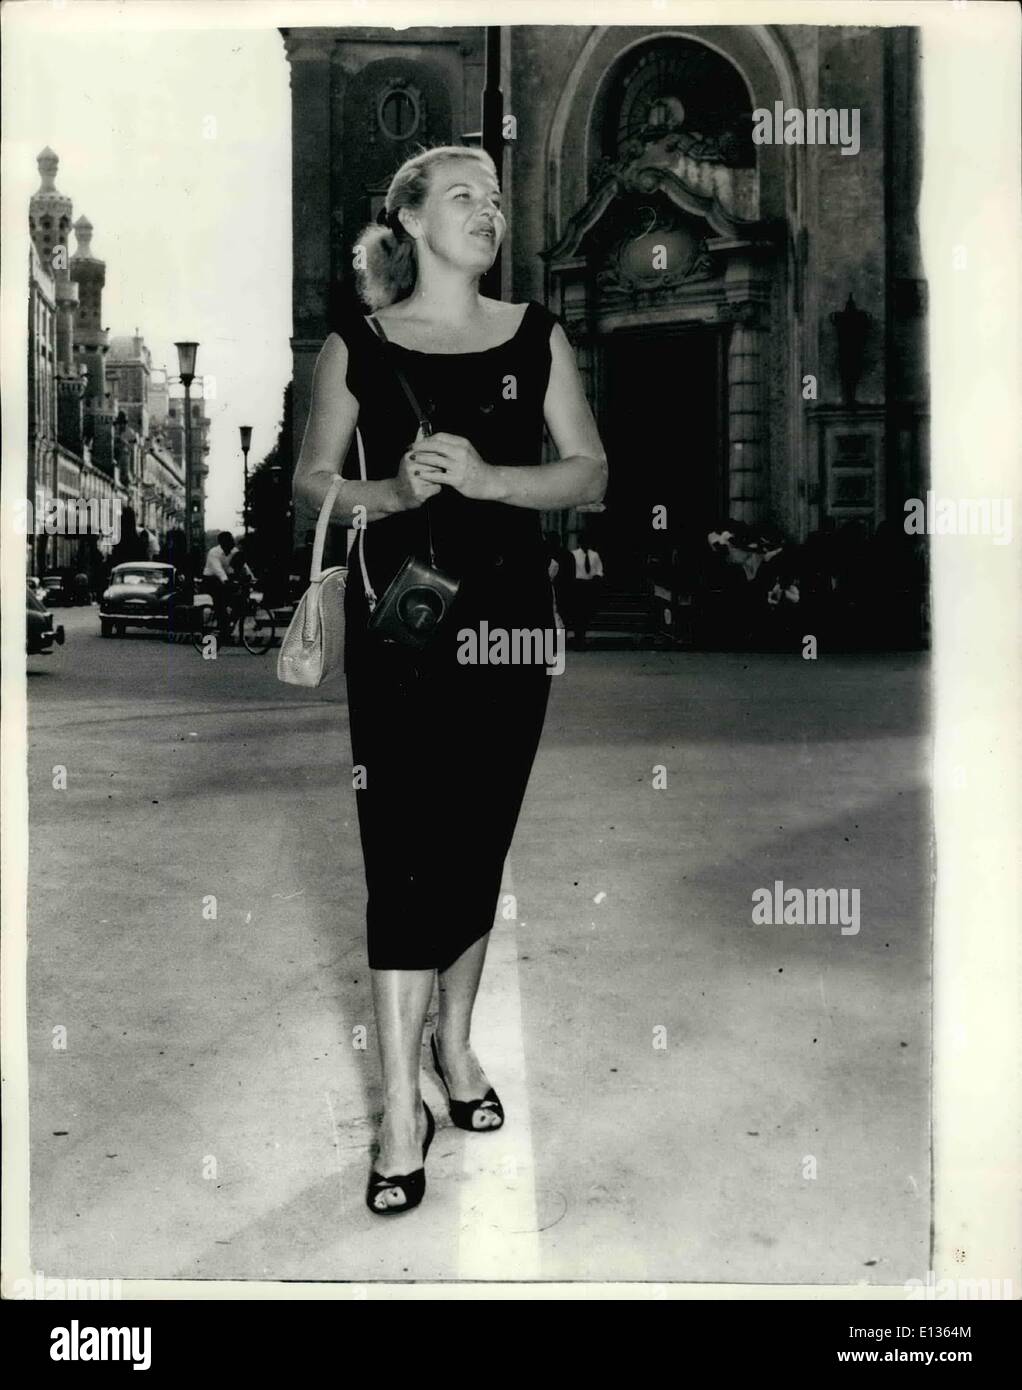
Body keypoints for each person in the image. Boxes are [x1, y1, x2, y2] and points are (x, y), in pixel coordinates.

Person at [293, 143, 607, 1216]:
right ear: (412, 220)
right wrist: (384, 487)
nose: (487, 211)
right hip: (402, 628)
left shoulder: (535, 335)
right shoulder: (360, 348)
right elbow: (308, 485)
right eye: (462, 197)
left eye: (493, 199)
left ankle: (455, 1047)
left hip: (512, 628)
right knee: (403, 854)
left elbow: (590, 469)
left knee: (476, 841)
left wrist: (486, 476)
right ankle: (396, 1108)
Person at [203, 531, 253, 641]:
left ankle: (230, 623)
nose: (232, 544)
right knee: (219, 600)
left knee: (240, 600)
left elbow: (243, 566)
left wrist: (250, 577)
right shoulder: (213, 552)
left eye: (232, 542)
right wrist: (225, 580)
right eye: (229, 542)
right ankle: (222, 624)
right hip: (211, 578)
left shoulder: (234, 552)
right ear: (222, 543)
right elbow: (217, 569)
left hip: (226, 578)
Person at [567, 530, 605, 648]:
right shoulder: (573, 554)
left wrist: (597, 577)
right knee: (578, 613)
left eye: (587, 542)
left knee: (586, 613)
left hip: (589, 586)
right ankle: (579, 638)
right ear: (579, 543)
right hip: (578, 586)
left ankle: (582, 636)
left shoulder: (594, 555)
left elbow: (599, 570)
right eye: (583, 542)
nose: (585, 544)